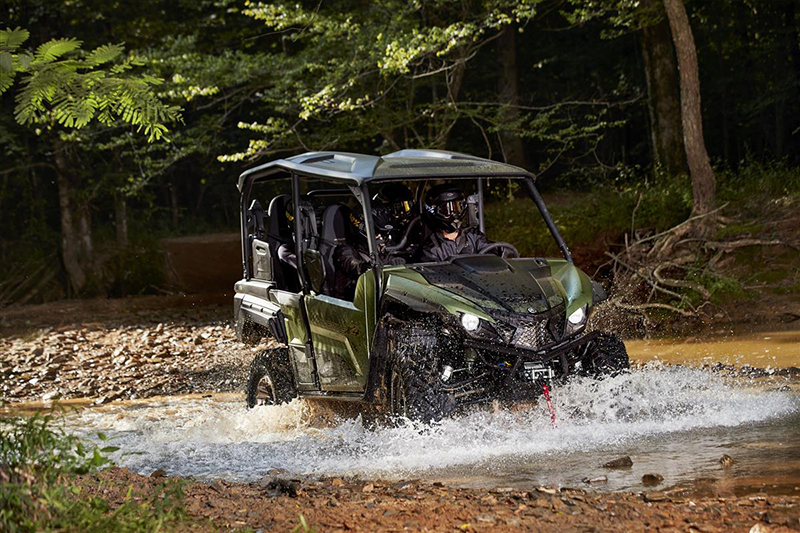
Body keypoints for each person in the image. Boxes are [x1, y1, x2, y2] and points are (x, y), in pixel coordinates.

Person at [421, 183, 496, 262]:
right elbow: (434, 272)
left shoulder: (474, 236)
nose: (454, 215)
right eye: (446, 210)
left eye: (457, 207)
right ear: (434, 211)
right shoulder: (431, 249)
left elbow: (492, 258)